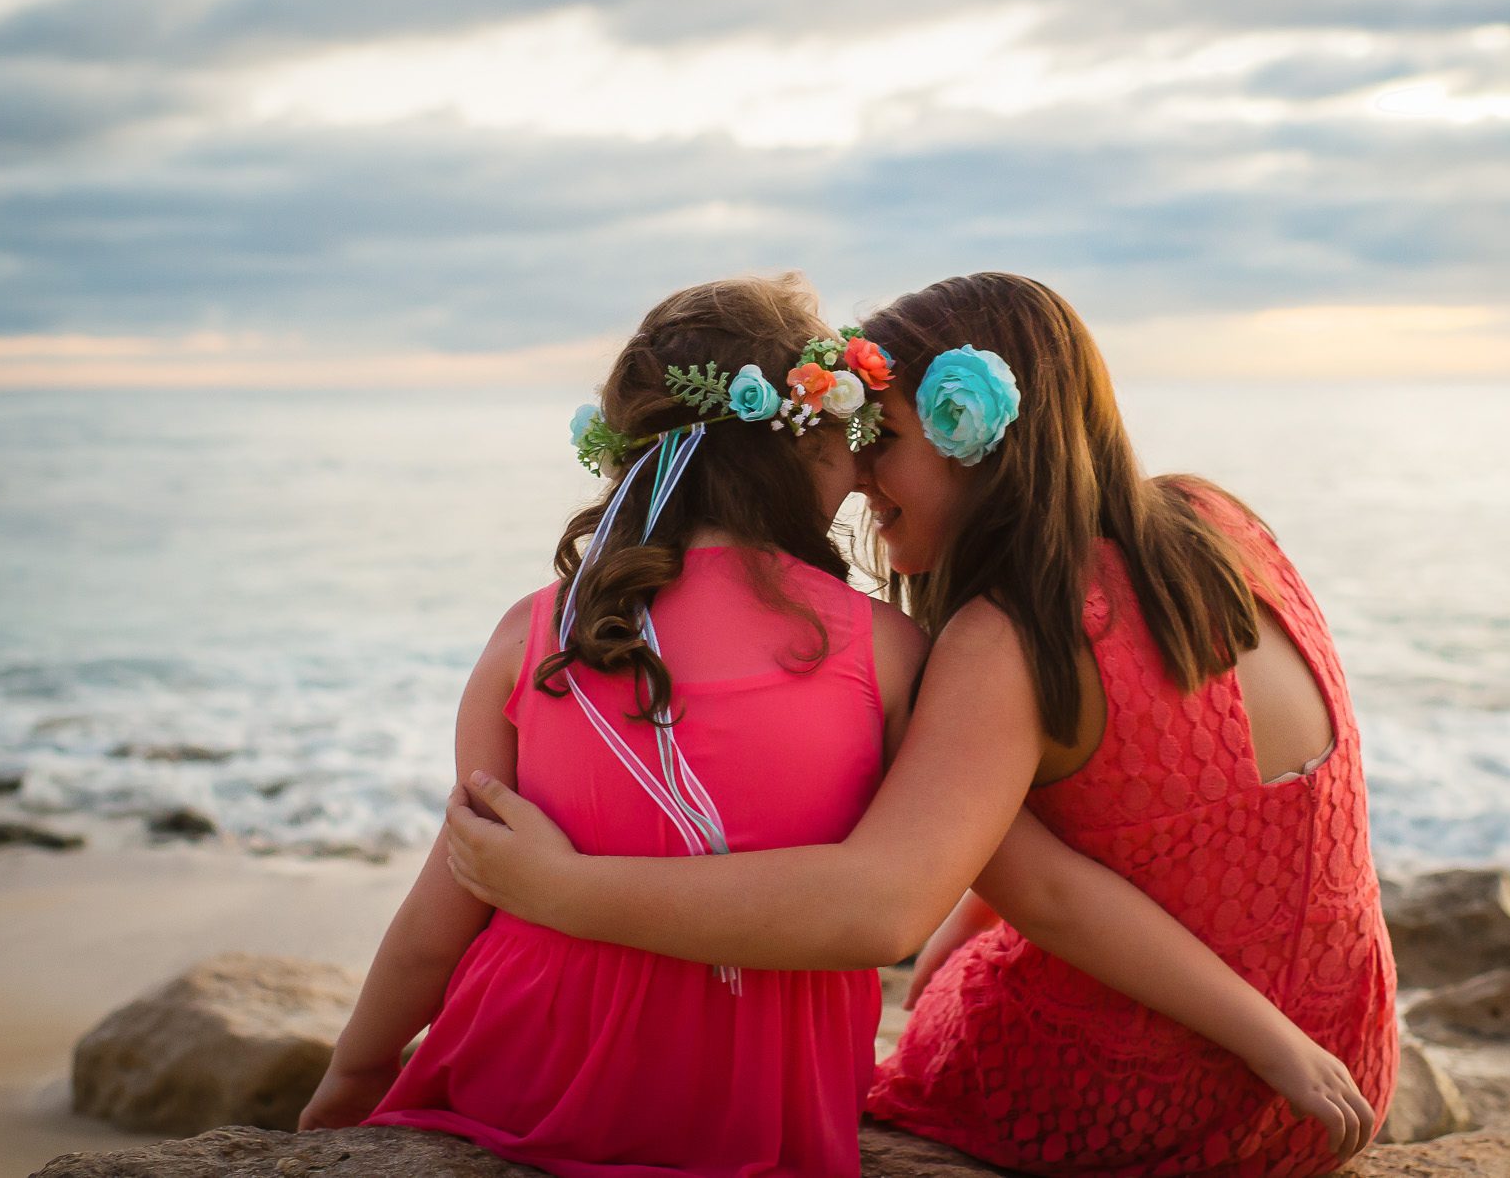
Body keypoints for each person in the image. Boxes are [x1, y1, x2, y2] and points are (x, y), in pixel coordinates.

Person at [447, 272, 1399, 1175]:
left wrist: (558, 887)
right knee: (959, 956)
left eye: (881, 435)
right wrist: (1287, 1040)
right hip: (1347, 1043)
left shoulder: (1007, 636)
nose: (856, 474)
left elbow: (920, 903)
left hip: (1189, 1088)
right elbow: (1097, 832)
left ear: (969, 433)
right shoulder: (1214, 523)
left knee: (944, 1007)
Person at [296, 274, 925, 1176]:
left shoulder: (532, 629)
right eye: (845, 439)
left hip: (523, 1071)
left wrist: (353, 1073)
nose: (859, 470)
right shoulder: (889, 648)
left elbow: (454, 890)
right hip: (748, 1096)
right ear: (803, 441)